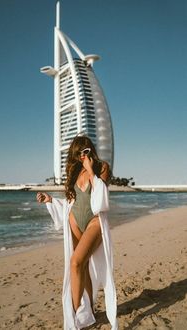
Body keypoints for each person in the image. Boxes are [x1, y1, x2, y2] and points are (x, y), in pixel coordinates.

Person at [37, 135, 118, 330]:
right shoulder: (74, 171)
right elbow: (71, 202)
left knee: (75, 262)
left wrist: (91, 170)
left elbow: (101, 200)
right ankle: (88, 309)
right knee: (82, 266)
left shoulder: (102, 167)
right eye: (77, 153)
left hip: (94, 222)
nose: (81, 156)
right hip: (74, 222)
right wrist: (50, 200)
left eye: (85, 151)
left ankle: (72, 317)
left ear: (90, 150)